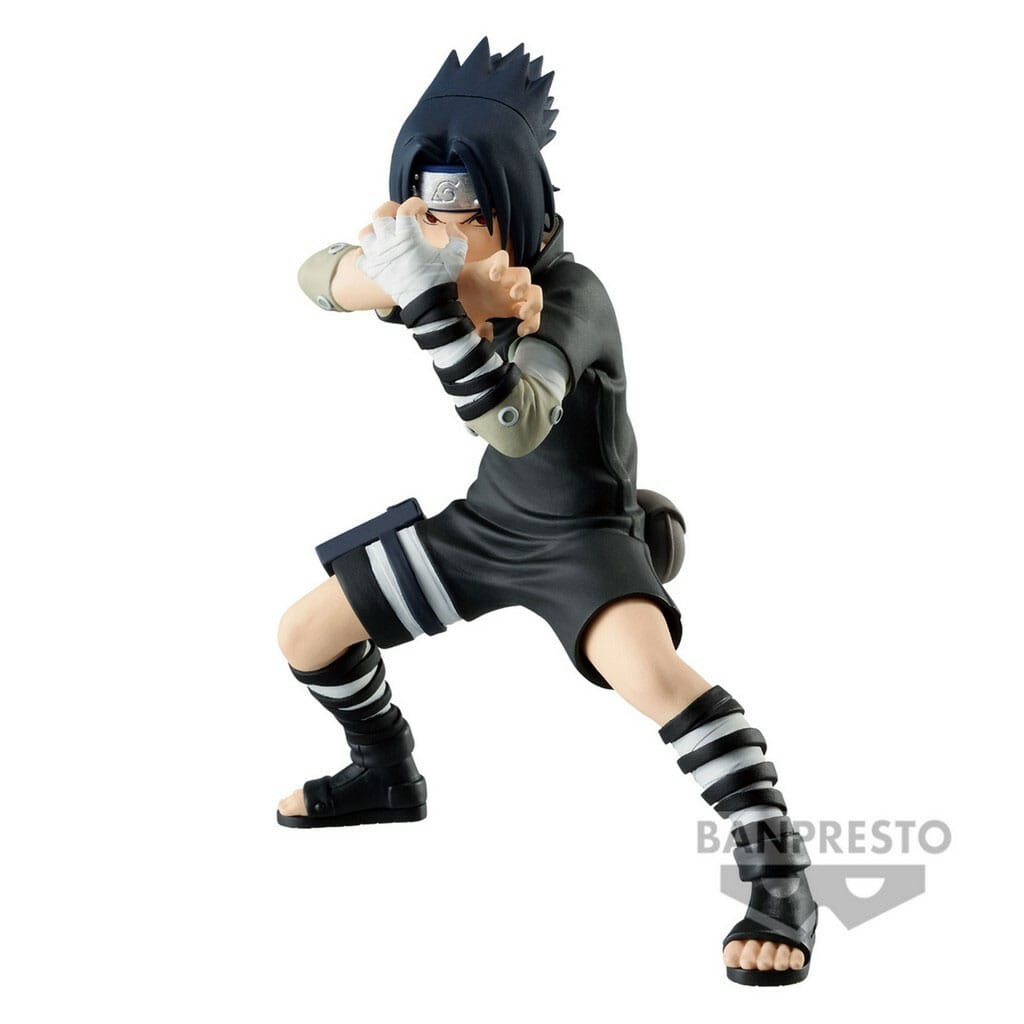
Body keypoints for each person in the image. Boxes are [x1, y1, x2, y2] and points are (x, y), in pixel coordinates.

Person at [277, 38, 818, 987]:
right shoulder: (441, 272)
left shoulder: (570, 299)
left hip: (584, 538)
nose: (442, 237)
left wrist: (435, 309)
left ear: (518, 214)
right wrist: (405, 279)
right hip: (488, 524)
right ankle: (385, 771)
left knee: (650, 678)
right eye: (423, 217)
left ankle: (780, 872)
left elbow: (517, 423)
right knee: (307, 633)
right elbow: (316, 277)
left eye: (466, 221)